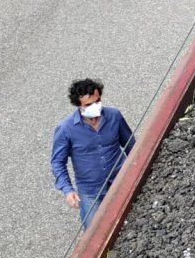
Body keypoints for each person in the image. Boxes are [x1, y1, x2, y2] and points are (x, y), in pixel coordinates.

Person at [50, 79, 135, 229]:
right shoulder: (65, 129)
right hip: (90, 190)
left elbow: (131, 145)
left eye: (97, 101)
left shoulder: (114, 116)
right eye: (88, 105)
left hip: (121, 179)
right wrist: (68, 190)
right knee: (93, 231)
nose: (95, 107)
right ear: (78, 106)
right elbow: (57, 162)